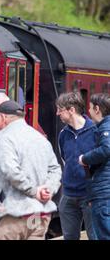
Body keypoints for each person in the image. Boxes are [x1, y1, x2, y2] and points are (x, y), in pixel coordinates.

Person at [0, 100, 62, 240]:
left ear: (3, 117)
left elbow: (11, 171)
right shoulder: (40, 139)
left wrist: (34, 192)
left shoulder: (5, 139)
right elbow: (55, 169)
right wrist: (49, 190)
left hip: (12, 218)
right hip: (39, 216)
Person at [56, 92, 96, 240]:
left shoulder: (95, 132)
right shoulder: (63, 134)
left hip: (90, 195)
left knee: (95, 235)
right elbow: (65, 160)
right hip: (68, 195)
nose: (57, 113)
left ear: (71, 110)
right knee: (69, 236)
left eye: (60, 109)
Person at [79, 93, 110, 240]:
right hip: (103, 189)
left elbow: (106, 149)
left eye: (90, 108)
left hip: (104, 191)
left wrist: (85, 158)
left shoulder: (106, 128)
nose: (88, 112)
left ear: (97, 109)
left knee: (103, 233)